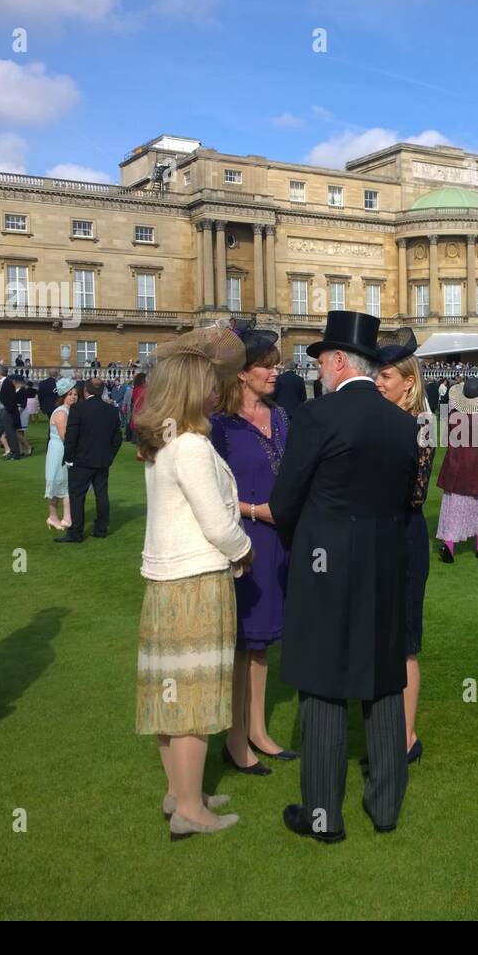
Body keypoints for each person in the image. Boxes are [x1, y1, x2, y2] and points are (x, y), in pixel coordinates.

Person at [270, 311, 417, 841]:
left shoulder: (317, 417)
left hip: (324, 564)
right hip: (382, 561)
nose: (318, 372)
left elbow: (285, 503)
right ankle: (386, 809)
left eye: (320, 362)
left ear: (336, 361)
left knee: (323, 682)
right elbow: (403, 503)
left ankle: (323, 816)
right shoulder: (403, 423)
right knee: (382, 679)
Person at [134, 328, 250, 840]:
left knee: (170, 694)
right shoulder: (194, 447)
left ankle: (181, 792)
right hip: (196, 581)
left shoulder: (163, 446)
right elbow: (218, 523)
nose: (215, 390)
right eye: (208, 382)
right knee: (194, 699)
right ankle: (189, 808)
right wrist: (244, 551)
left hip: (165, 582)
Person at [210, 327, 296, 774]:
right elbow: (212, 493)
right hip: (243, 540)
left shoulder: (281, 416)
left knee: (263, 644)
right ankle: (234, 738)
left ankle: (258, 730)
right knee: (242, 644)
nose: (275, 371)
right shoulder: (219, 426)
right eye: (267, 365)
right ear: (242, 374)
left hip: (280, 541)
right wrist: (257, 510)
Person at [375, 329, 434, 763]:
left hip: (404, 534)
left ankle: (406, 737)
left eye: (387, 376)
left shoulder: (421, 426)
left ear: (409, 382)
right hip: (376, 535)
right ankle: (384, 735)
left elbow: (415, 495)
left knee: (404, 642)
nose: (379, 382)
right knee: (378, 638)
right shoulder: (377, 419)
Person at [54, 377, 123, 544]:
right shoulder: (112, 410)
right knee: (101, 495)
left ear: (86, 390)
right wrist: (109, 456)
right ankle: (101, 529)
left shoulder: (78, 409)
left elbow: (71, 437)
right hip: (101, 461)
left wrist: (69, 458)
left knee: (77, 496)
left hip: (81, 461)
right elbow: (117, 439)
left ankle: (75, 533)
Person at [436, 375, 478, 562]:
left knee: (453, 508)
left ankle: (449, 546)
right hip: (477, 468)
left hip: (455, 466)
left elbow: (447, 440)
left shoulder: (453, 415)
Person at [44, 377, 78, 531]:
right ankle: (53, 516)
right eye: (70, 394)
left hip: (65, 449)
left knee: (66, 484)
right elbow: (66, 437)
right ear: (63, 396)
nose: (73, 397)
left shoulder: (71, 411)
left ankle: (67, 517)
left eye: (75, 394)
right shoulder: (61, 413)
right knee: (57, 482)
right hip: (59, 450)